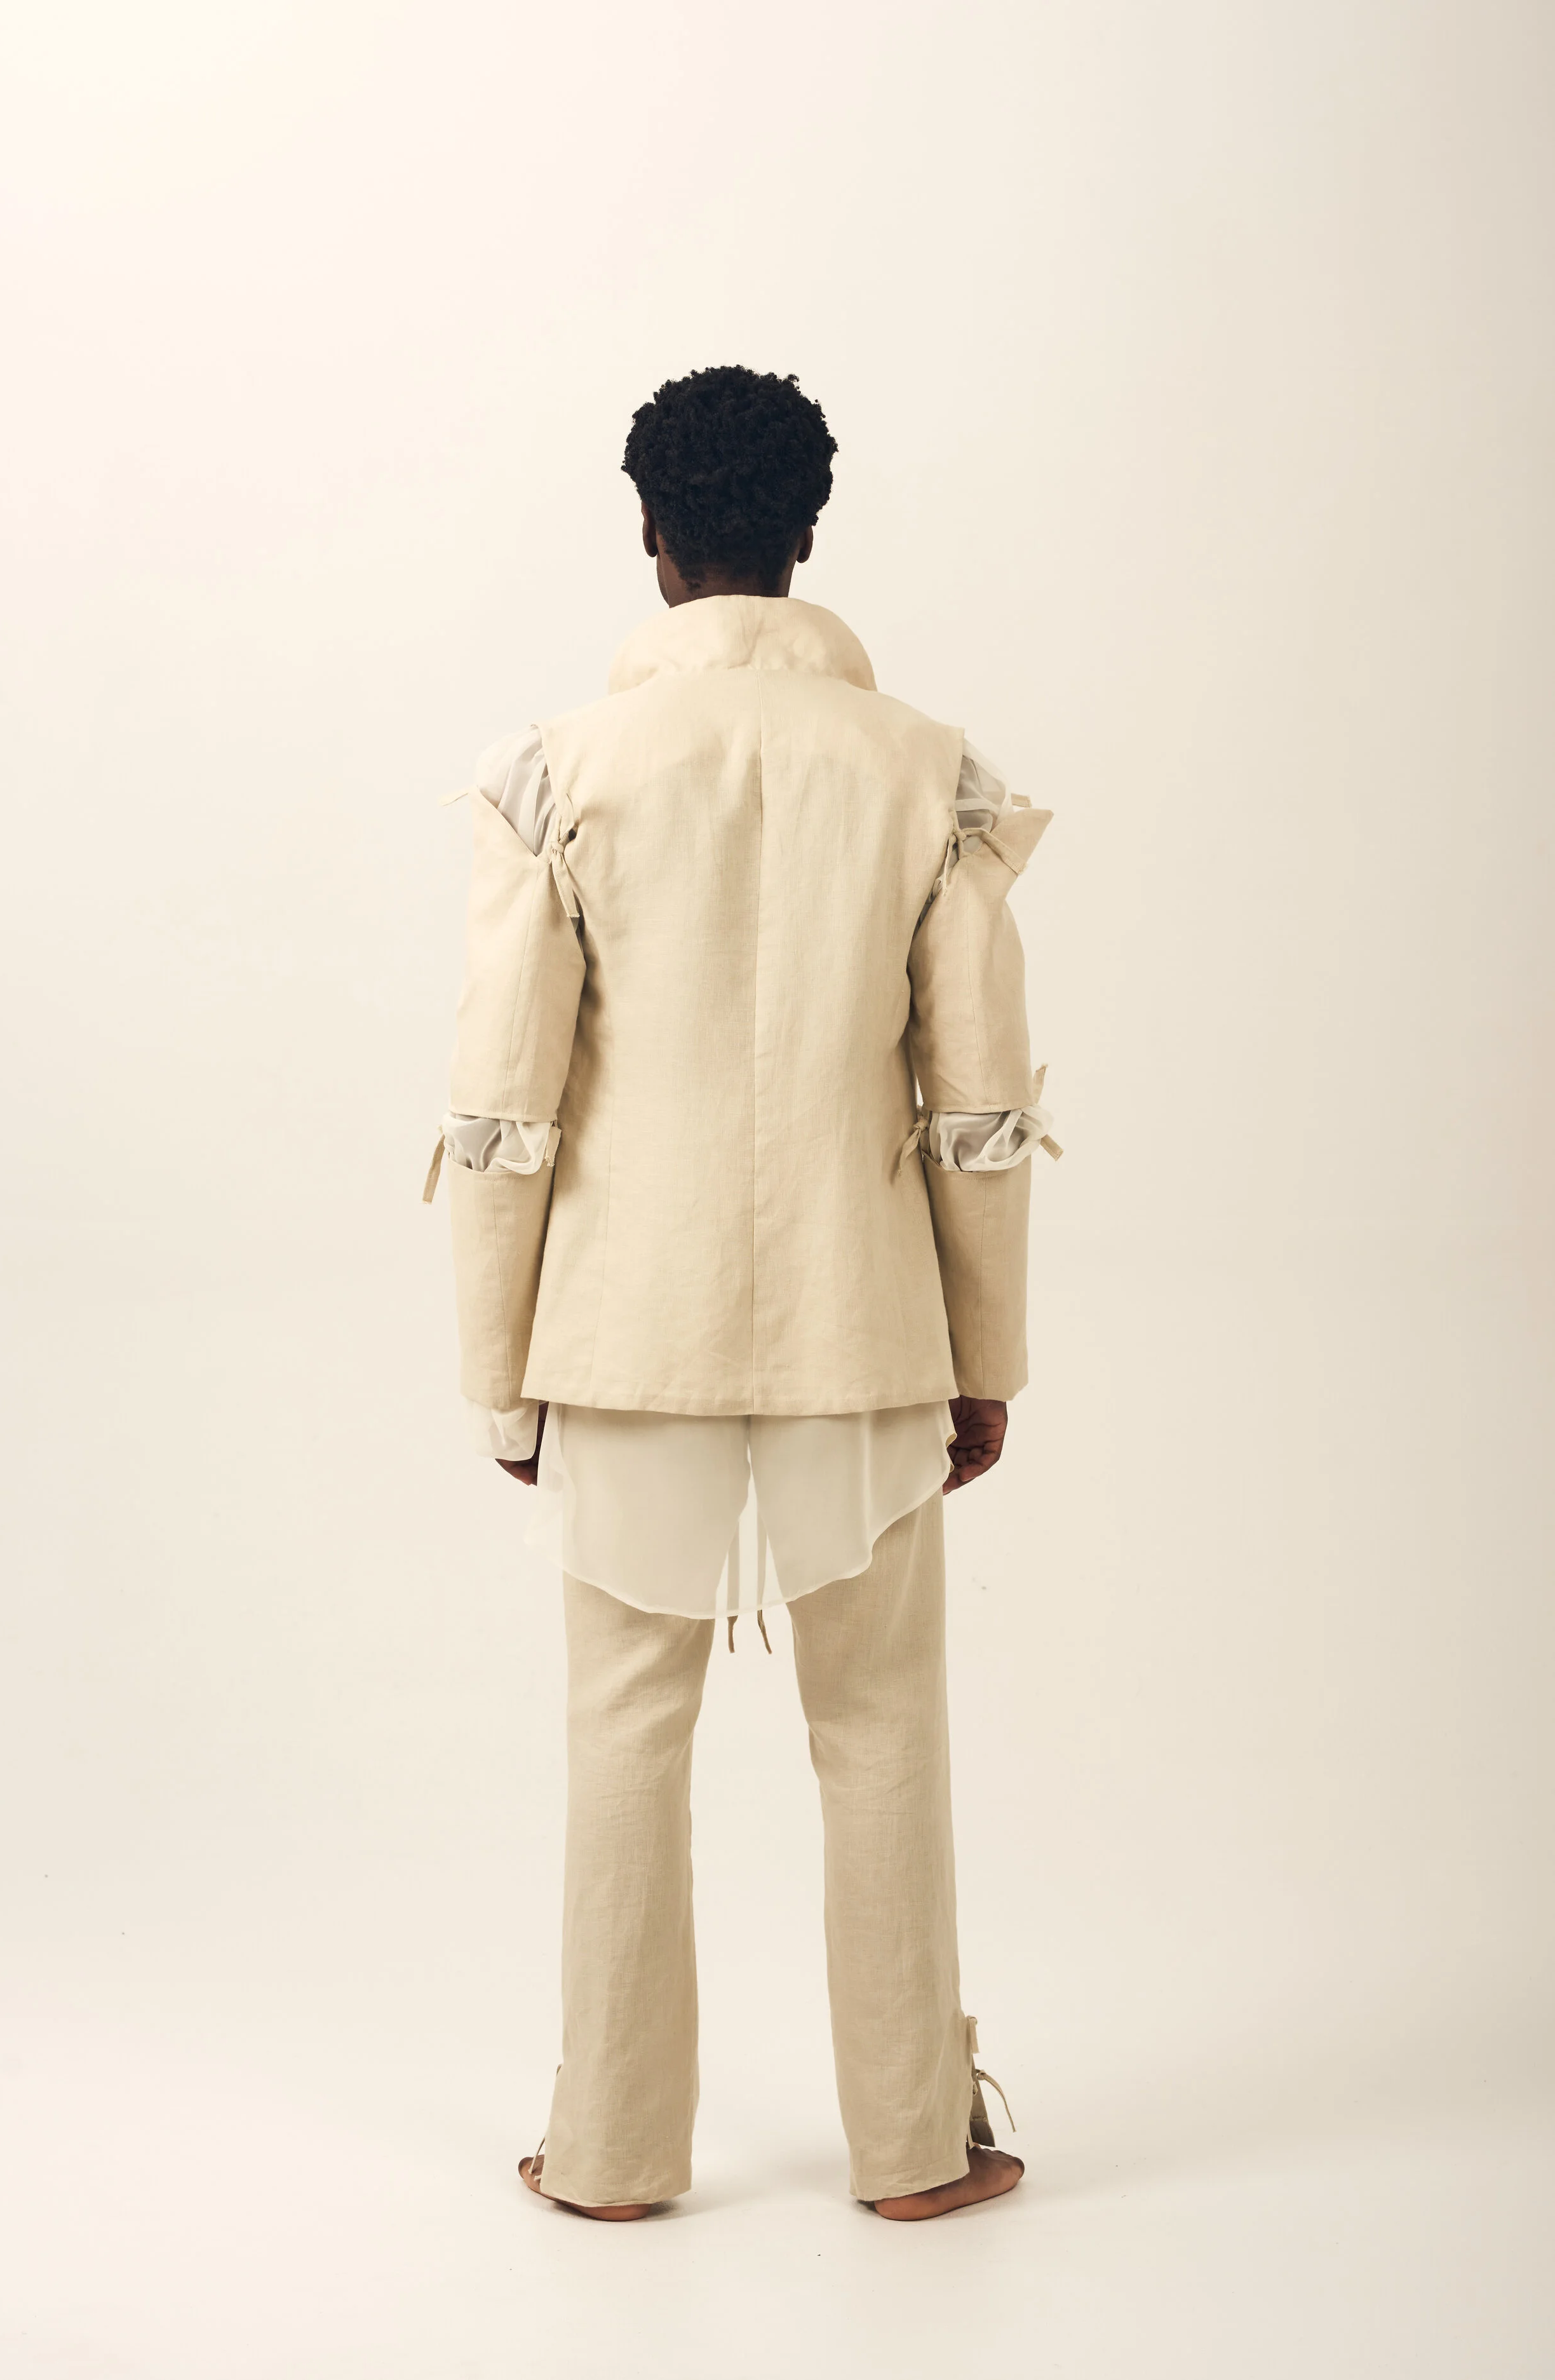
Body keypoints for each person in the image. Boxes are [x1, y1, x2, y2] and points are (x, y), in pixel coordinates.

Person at [426, 364, 1058, 2222]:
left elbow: (504, 1104)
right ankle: (916, 2147)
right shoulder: (925, 771)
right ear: (807, 534)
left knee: (624, 1729)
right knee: (882, 1729)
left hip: (627, 1328)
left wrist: (499, 1370)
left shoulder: (557, 772)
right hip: (868, 1328)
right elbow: (978, 1110)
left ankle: (611, 2153)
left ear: (651, 536)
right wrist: (986, 1355)